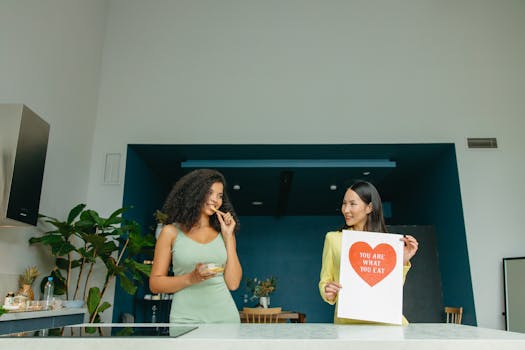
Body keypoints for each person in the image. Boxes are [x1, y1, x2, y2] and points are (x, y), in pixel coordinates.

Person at [318, 180, 419, 325]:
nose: (346, 210)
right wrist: (327, 290)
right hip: (349, 324)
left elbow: (391, 291)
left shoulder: (386, 245)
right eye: (344, 203)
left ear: (369, 207)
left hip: (387, 325)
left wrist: (402, 261)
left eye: (352, 204)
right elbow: (325, 281)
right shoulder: (333, 239)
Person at [149, 169, 242, 323]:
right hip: (185, 319)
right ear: (195, 193)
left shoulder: (224, 233)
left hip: (225, 318)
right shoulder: (170, 232)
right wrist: (192, 278)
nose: (215, 200)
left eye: (219, 195)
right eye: (209, 192)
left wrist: (228, 236)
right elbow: (155, 284)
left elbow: (233, 284)